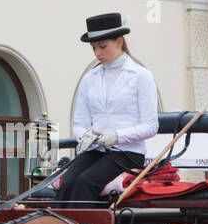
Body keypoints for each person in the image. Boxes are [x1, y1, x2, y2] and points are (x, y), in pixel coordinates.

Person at [56, 12, 159, 204]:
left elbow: (151, 125)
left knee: (85, 182)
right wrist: (86, 137)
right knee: (67, 181)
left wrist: (117, 136)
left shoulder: (141, 76)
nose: (97, 53)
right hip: (95, 150)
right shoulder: (89, 79)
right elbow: (79, 123)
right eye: (94, 48)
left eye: (103, 47)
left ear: (119, 41)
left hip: (128, 153)